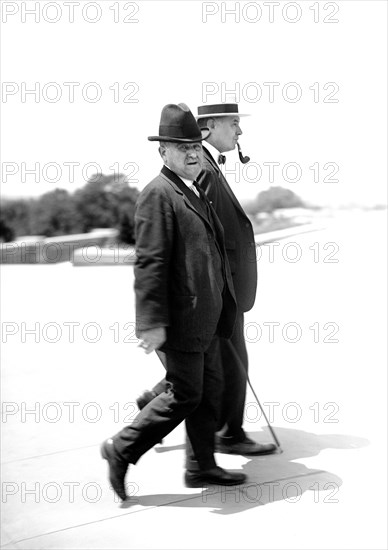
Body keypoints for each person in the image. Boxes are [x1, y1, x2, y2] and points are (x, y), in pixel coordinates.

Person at [101, 103, 246, 501]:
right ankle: (121, 449)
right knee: (185, 393)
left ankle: (202, 466)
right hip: (181, 318)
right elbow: (150, 263)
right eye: (180, 147)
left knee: (209, 388)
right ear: (162, 151)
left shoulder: (192, 189)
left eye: (195, 144)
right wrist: (151, 322)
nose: (192, 151)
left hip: (208, 316)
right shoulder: (158, 195)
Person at [137, 103, 277, 457]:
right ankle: (228, 434)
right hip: (218, 292)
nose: (239, 132)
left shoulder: (206, 164)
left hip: (222, 290)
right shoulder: (201, 170)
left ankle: (160, 401)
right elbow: (202, 240)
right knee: (227, 367)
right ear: (210, 126)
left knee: (217, 367)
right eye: (234, 124)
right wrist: (220, 292)